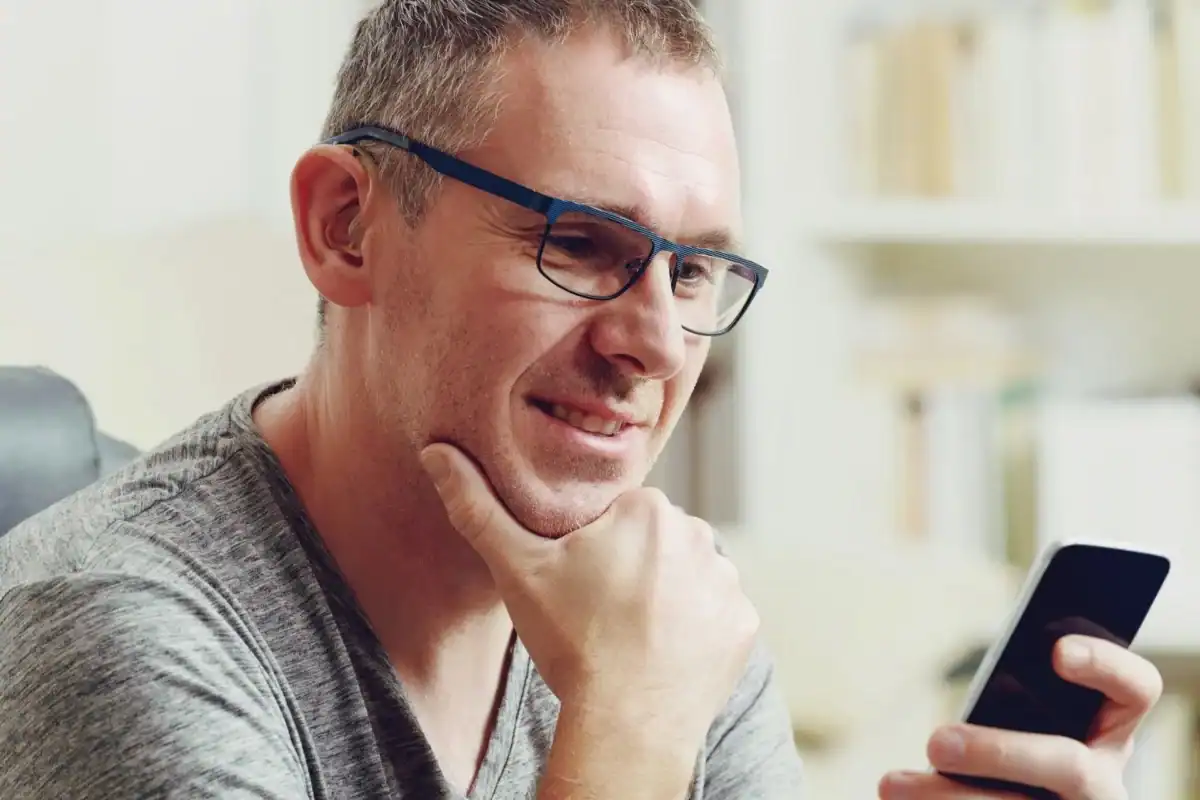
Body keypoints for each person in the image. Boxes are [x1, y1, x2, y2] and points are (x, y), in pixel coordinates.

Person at [0, 2, 1162, 798]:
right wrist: (629, 726)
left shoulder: (664, 609)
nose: (656, 342)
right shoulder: (115, 635)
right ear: (346, 228)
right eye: (581, 241)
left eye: (695, 267)